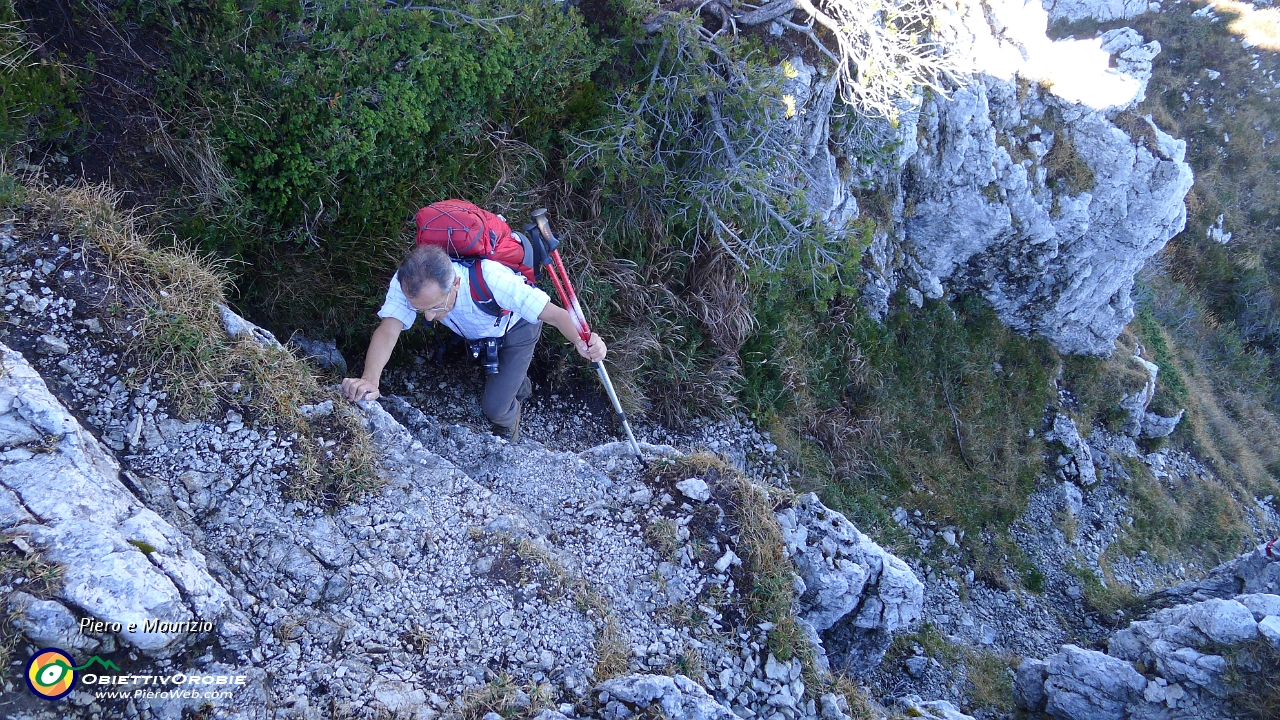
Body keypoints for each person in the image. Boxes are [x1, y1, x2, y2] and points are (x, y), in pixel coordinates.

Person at [341, 244, 606, 442]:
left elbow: (557, 315)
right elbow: (388, 329)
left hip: (517, 330)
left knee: (494, 407)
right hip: (479, 332)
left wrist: (584, 342)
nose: (430, 317)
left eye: (435, 307)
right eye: (422, 311)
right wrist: (370, 379)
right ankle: (516, 383)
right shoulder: (408, 282)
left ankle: (508, 427)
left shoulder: (494, 279)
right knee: (505, 378)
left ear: (456, 283)